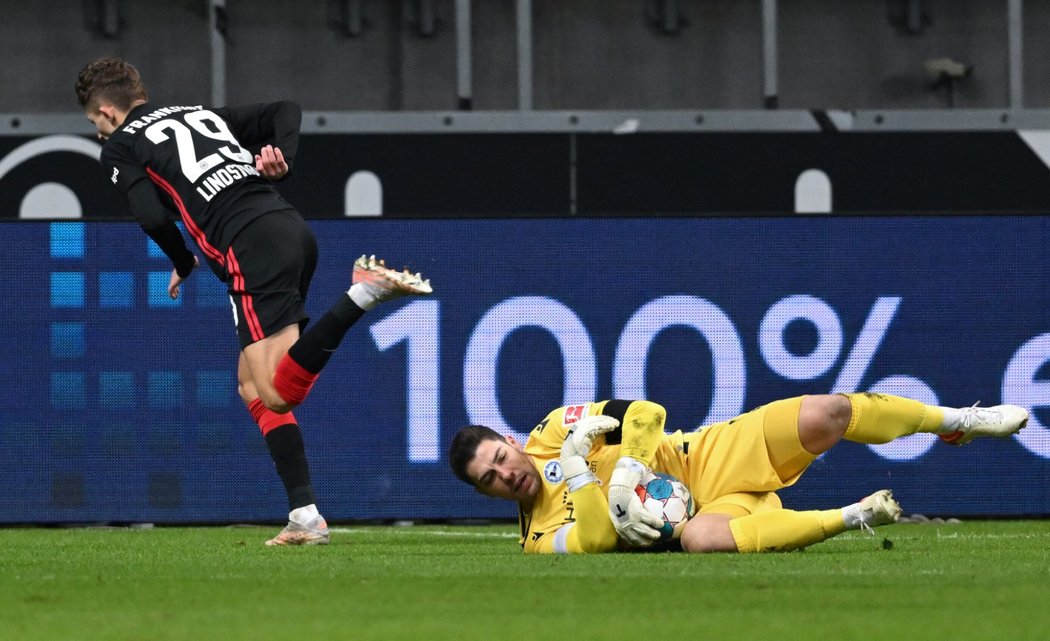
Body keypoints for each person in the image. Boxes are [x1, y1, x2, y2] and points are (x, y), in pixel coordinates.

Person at [76, 58, 432, 545]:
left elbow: (152, 218)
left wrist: (182, 262)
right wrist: (280, 157)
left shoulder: (121, 144)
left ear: (107, 111)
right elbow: (285, 109)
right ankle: (305, 515)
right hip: (287, 228)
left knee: (278, 392)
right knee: (250, 384)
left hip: (247, 245)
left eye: (94, 122)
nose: (98, 132)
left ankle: (363, 293)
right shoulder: (196, 113)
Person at [449, 394, 1028, 554]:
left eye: (500, 460)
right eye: (489, 481)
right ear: (486, 494)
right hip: (705, 514)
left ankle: (957, 420)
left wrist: (627, 468)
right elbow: (598, 537)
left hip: (708, 456)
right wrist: (581, 472)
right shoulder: (536, 540)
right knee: (700, 540)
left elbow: (647, 414)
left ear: (509, 442)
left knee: (827, 413)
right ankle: (851, 517)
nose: (506, 476)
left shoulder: (553, 429)